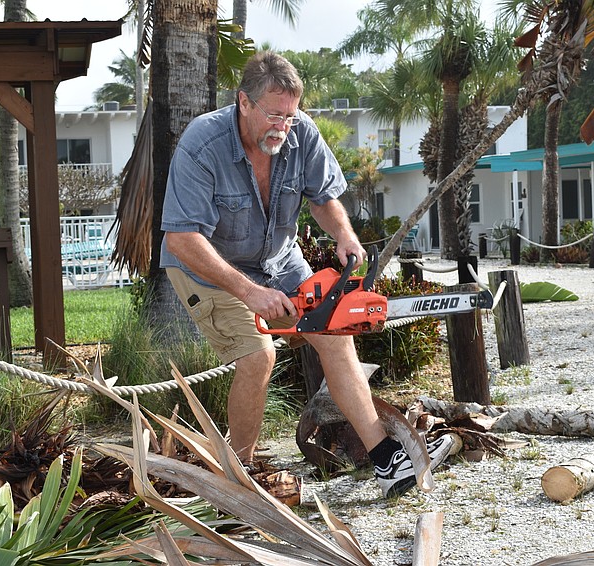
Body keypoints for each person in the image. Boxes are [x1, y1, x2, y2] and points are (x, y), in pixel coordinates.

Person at [160, 51, 453, 498]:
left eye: (290, 117)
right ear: (243, 102)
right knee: (258, 356)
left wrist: (343, 235)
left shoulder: (301, 135)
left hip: (278, 258)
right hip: (209, 269)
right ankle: (239, 479)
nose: (283, 126)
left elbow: (323, 197)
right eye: (273, 115)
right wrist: (250, 292)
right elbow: (182, 239)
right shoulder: (202, 144)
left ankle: (385, 459)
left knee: (335, 335)